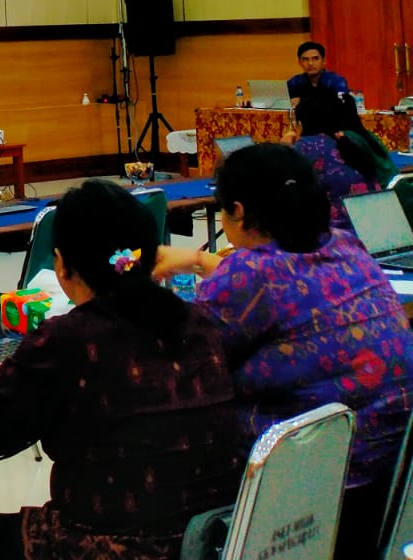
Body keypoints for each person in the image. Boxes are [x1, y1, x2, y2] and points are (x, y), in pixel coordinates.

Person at [0, 180, 242, 560]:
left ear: (61, 263)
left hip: (115, 546)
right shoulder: (198, 322)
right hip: (207, 541)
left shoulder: (69, 337)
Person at [155, 143, 413, 559]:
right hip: (392, 478)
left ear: (238, 211)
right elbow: (283, 284)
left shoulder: (249, 275)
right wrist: (203, 263)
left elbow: (179, 363)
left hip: (311, 492)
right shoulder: (346, 246)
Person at [289, 92, 381, 228]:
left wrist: (285, 148)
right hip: (374, 220)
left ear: (300, 124)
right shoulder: (346, 141)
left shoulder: (306, 145)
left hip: (340, 228)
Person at [287, 39, 349, 107]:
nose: (310, 63)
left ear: (323, 61)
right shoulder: (295, 82)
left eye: (315, 59)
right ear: (299, 63)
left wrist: (302, 101)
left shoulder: (336, 81)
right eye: (305, 59)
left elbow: (343, 102)